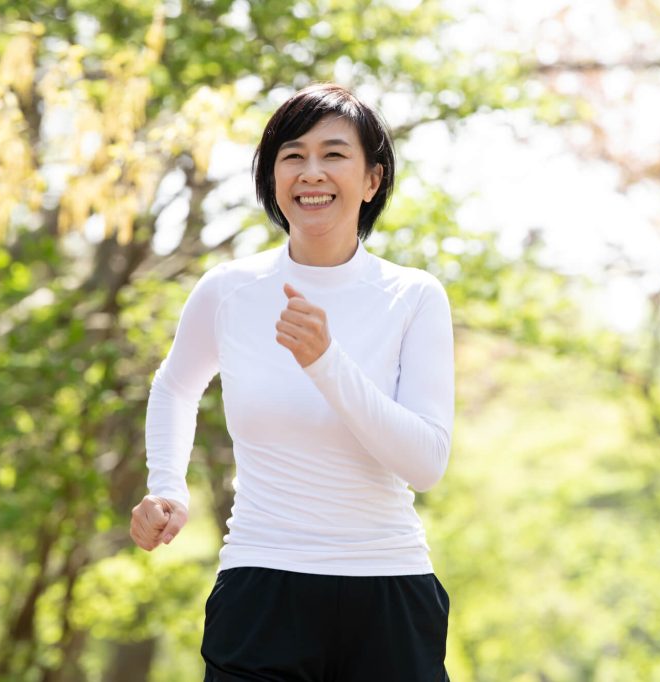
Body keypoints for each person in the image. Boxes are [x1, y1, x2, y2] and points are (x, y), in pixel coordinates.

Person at [129, 83, 455, 681]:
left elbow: (427, 463)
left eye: (334, 155)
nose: (311, 173)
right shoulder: (230, 289)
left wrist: (327, 363)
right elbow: (175, 386)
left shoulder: (413, 296)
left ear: (372, 180)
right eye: (292, 155)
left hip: (388, 588)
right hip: (261, 583)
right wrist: (168, 487)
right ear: (272, 175)